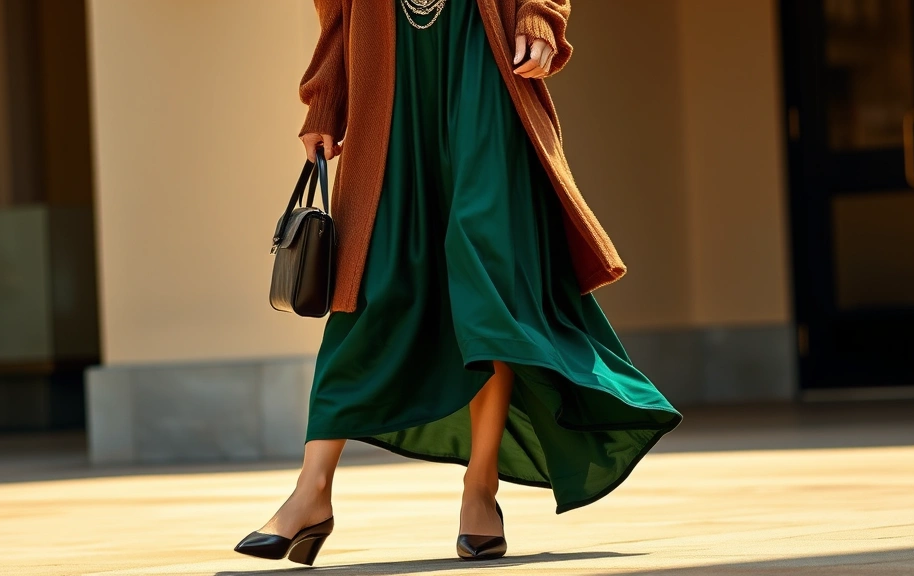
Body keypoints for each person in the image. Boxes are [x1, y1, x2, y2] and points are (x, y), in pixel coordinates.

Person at [235, 0, 681, 565]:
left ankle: (481, 486)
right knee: (372, 285)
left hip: (482, 58)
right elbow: (335, 12)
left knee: (485, 279)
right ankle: (312, 491)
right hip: (387, 76)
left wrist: (541, 14)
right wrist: (324, 102)